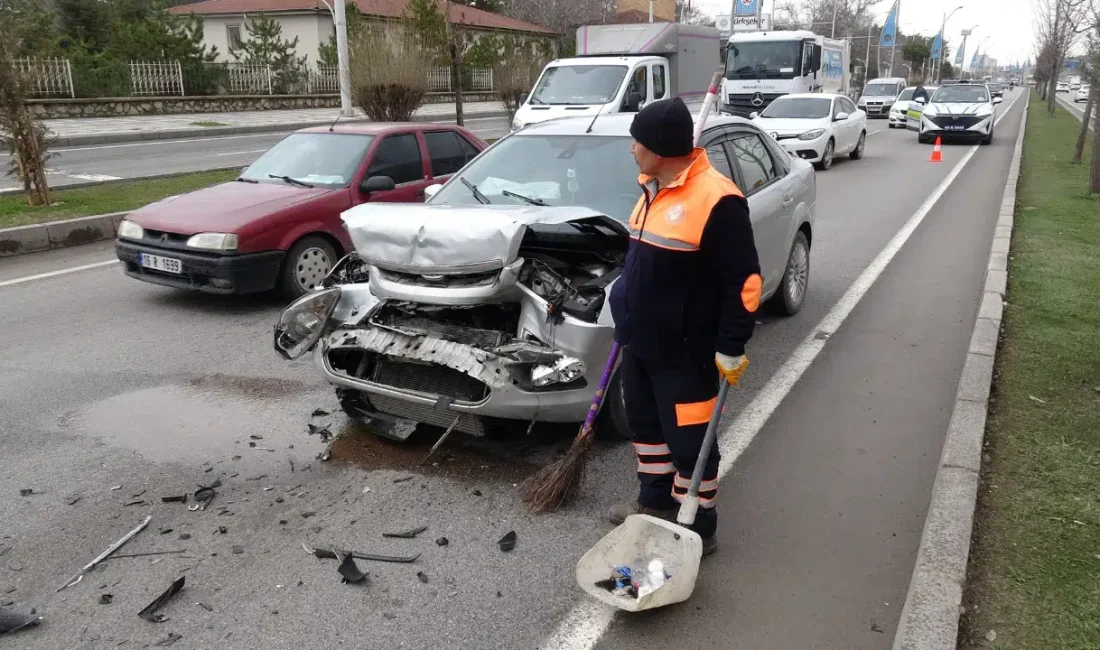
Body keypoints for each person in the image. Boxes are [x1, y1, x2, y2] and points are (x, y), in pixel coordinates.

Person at [608, 97, 762, 555]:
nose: (632, 148)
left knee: (690, 440)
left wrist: (731, 344)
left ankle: (696, 521)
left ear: (659, 148)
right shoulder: (652, 187)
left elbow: (745, 282)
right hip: (640, 342)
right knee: (647, 428)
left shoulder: (718, 200)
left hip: (686, 350)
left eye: (638, 140)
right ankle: (653, 503)